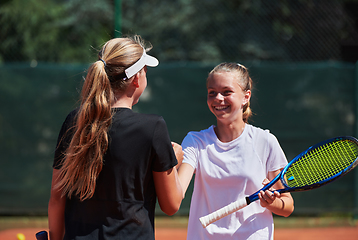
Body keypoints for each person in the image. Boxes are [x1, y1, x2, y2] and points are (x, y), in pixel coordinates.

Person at [48, 35, 184, 240]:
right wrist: (174, 164)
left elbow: (57, 198)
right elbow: (171, 205)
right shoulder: (154, 127)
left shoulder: (74, 120)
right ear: (137, 79)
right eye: (145, 72)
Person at [178, 62, 294, 240]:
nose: (218, 98)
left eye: (226, 92)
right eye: (212, 92)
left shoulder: (265, 142)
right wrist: (166, 163)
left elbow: (287, 206)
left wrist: (271, 203)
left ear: (245, 97)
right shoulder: (195, 141)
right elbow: (177, 192)